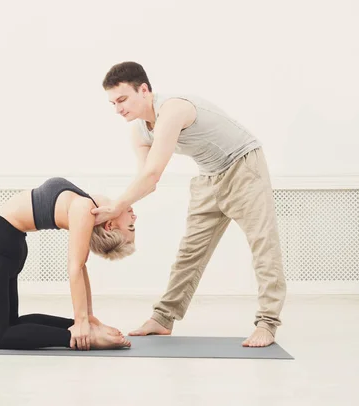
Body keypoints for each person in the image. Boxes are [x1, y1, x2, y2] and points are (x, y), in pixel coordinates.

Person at [92, 61, 287, 348]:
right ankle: (162, 318)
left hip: (245, 168)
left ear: (144, 90)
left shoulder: (173, 109)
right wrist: (118, 210)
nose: (118, 108)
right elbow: (147, 181)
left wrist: (116, 207)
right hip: (208, 177)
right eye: (113, 103)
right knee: (189, 252)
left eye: (122, 99)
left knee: (262, 244)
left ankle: (267, 324)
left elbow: (152, 173)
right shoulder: (140, 132)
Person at [0, 177, 136, 350]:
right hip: (8, 242)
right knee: (11, 325)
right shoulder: (88, 208)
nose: (134, 216)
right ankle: (85, 332)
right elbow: (81, 267)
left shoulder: (84, 208)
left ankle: (78, 337)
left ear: (110, 225)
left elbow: (77, 268)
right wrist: (87, 318)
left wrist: (83, 321)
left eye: (131, 226)